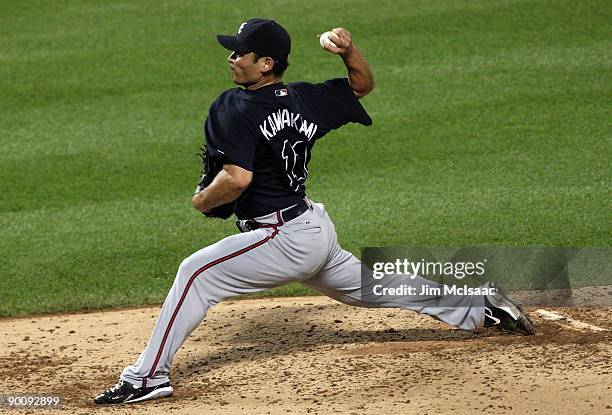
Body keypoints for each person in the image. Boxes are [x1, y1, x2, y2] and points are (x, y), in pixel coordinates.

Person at [94, 18, 534, 405]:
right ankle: (478, 305)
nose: (230, 58)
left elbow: (237, 179)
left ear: (265, 63)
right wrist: (349, 52)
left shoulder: (233, 106)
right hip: (311, 228)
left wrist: (202, 199)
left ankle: (146, 377)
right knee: (367, 287)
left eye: (239, 52)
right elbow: (361, 85)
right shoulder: (305, 99)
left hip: (281, 236)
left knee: (195, 273)